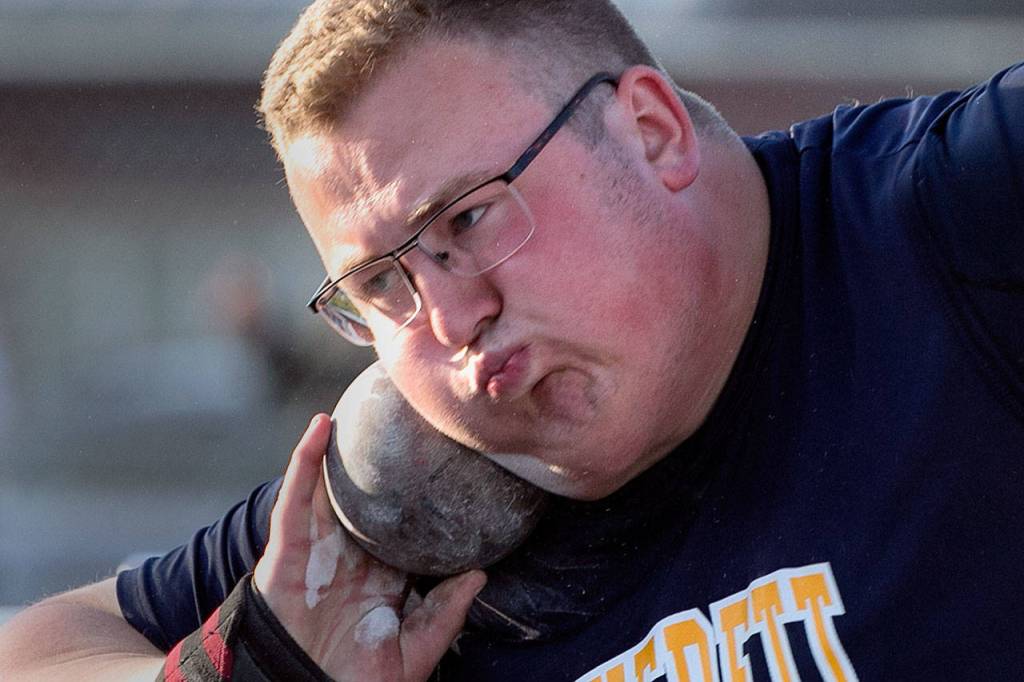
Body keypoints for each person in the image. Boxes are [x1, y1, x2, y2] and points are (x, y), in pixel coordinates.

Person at [2, 0, 1022, 679]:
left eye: (470, 219)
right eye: (383, 280)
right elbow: (37, 649)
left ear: (652, 132)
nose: (450, 320)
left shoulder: (945, 219)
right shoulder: (404, 504)